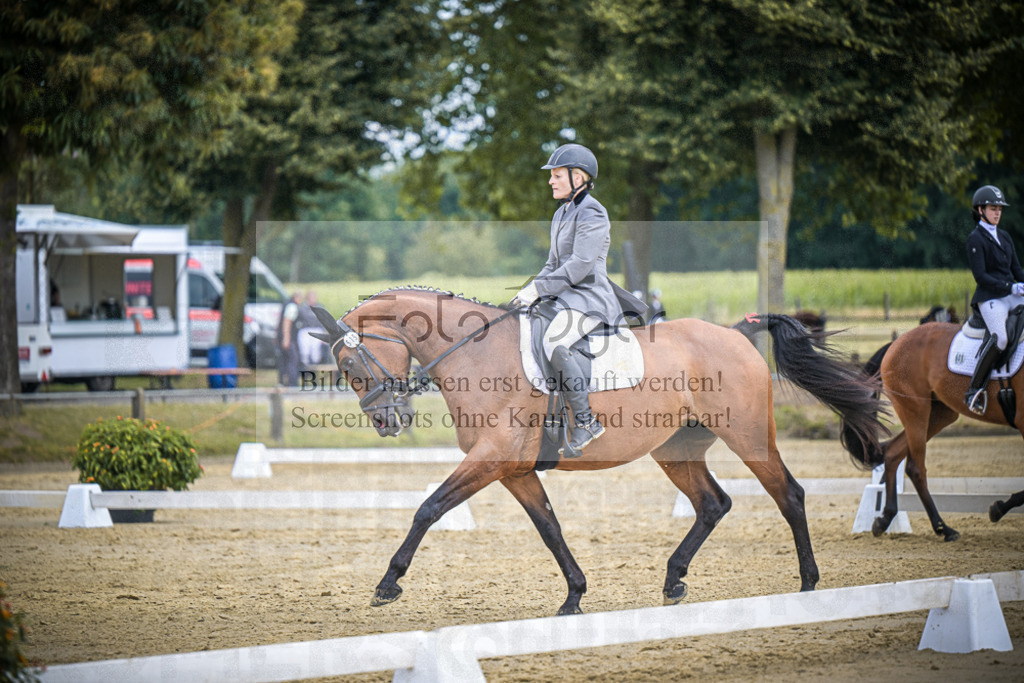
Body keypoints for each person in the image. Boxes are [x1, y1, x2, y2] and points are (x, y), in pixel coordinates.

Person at [513, 143, 647, 457]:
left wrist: (541, 289)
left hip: (590, 299)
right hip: (564, 297)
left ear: (579, 177)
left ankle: (586, 422)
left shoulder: (593, 212)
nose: (551, 181)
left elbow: (580, 264)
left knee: (554, 343)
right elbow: (552, 263)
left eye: (557, 175)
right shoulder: (561, 212)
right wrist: (529, 290)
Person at [965, 184, 1024, 414]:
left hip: (1011, 294)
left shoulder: (1005, 237)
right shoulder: (975, 239)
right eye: (993, 208)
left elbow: (1017, 269)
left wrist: (1019, 283)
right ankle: (974, 390)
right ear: (980, 210)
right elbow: (981, 276)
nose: (997, 212)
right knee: (1000, 338)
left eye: (999, 208)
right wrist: (1011, 286)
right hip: (990, 298)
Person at [277, 291, 302, 386]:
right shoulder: (292, 306)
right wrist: (286, 338)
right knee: (293, 360)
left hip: (282, 337)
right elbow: (287, 322)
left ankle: (282, 382)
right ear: (297, 297)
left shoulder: (286, 305)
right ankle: (292, 384)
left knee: (284, 361)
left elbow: (279, 322)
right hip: (288, 338)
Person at [297, 289, 326, 368]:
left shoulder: (320, 307)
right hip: (305, 330)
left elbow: (323, 321)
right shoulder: (302, 308)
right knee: (305, 349)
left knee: (315, 349)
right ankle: (305, 365)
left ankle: (315, 366)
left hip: (317, 329)